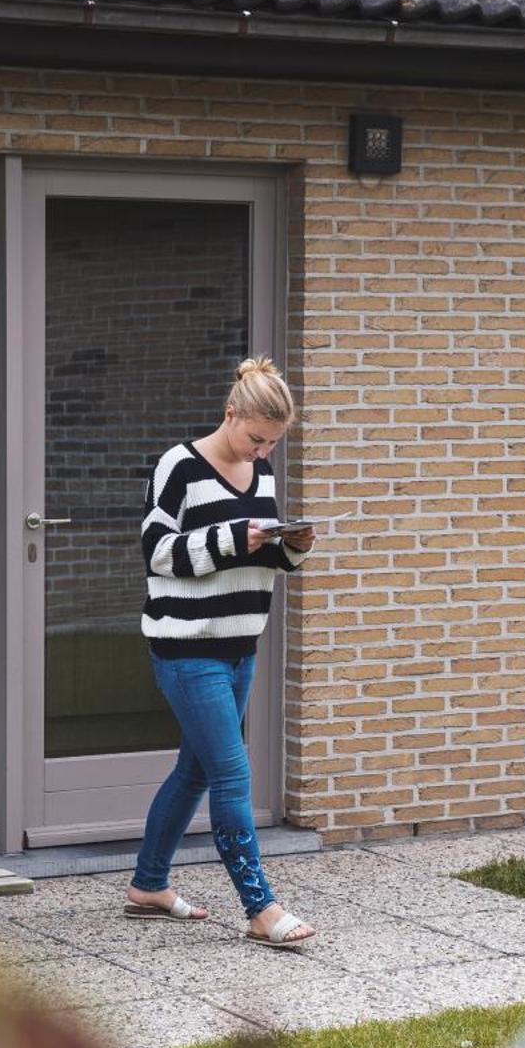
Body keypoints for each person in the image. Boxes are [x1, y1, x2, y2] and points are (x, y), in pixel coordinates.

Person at [125, 357, 319, 947]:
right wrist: (238, 538)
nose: (263, 453)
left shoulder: (260, 474)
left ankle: (148, 887)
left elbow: (254, 557)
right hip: (186, 647)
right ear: (230, 413)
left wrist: (291, 549)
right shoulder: (179, 466)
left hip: (241, 645)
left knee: (196, 770)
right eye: (256, 438)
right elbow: (157, 551)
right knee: (233, 773)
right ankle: (260, 909)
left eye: (273, 444)